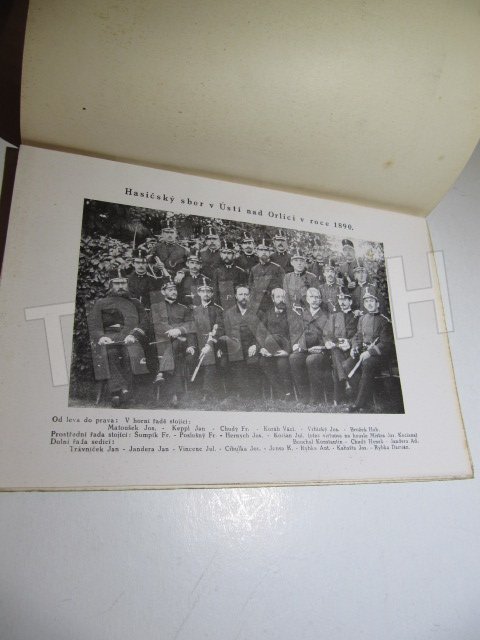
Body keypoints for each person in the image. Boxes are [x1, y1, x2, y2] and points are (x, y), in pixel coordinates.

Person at [87, 267, 149, 407]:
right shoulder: (101, 303)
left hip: (130, 338)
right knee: (111, 353)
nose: (121, 286)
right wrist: (101, 337)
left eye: (123, 283)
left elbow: (145, 322)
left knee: (129, 355)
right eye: (117, 283)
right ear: (110, 285)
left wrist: (134, 335)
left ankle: (119, 392)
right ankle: (122, 390)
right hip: (109, 338)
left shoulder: (136, 303)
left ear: (127, 284)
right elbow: (94, 324)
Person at [345, 287, 393, 412]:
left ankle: (359, 404)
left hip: (379, 356)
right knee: (347, 365)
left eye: (372, 301)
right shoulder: (362, 319)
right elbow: (358, 336)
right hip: (363, 353)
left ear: (377, 304)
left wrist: (370, 352)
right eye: (366, 301)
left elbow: (386, 344)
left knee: (367, 363)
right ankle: (364, 397)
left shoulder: (385, 321)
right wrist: (354, 348)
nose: (369, 304)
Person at [150, 280, 193, 407]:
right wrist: (171, 331)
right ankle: (174, 395)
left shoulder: (183, 308)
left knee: (176, 346)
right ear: (163, 292)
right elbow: (156, 325)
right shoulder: (156, 308)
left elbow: (190, 324)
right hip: (161, 342)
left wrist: (179, 330)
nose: (174, 292)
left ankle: (161, 372)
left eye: (175, 289)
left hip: (181, 342)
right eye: (170, 289)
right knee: (176, 355)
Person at [289, 287, 329, 404]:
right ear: (307, 299)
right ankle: (304, 396)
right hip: (304, 348)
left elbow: (328, 336)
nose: (314, 300)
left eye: (317, 297)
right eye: (311, 297)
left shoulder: (326, 316)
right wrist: (296, 344)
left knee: (312, 360)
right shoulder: (302, 315)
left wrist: (321, 347)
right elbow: (296, 333)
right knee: (294, 358)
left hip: (320, 351)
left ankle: (316, 397)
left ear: (321, 300)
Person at [187, 279, 225, 399]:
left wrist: (209, 344)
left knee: (209, 356)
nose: (205, 294)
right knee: (190, 357)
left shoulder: (218, 310)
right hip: (198, 342)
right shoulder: (194, 311)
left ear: (212, 294)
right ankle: (194, 387)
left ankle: (207, 391)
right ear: (199, 293)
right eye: (203, 291)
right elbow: (191, 330)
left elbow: (220, 329)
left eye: (208, 291)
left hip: (213, 341)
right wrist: (192, 345)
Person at [221, 285, 260, 398]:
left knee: (252, 361)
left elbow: (261, 334)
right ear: (236, 296)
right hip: (234, 347)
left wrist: (255, 345)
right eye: (241, 294)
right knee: (225, 361)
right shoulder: (229, 313)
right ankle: (234, 393)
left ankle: (248, 393)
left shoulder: (258, 312)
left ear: (249, 296)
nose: (243, 297)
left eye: (246, 294)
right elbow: (225, 332)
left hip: (250, 347)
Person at [323, 288, 359, 404]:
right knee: (335, 351)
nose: (342, 302)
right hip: (337, 347)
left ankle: (338, 395)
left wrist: (349, 343)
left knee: (336, 358)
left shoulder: (356, 316)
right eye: (340, 300)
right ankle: (347, 383)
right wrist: (329, 342)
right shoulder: (334, 316)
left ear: (350, 301)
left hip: (352, 349)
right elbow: (327, 333)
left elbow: (359, 334)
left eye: (345, 299)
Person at [257, 288, 293, 400]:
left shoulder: (291, 314)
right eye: (278, 297)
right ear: (273, 299)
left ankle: (288, 392)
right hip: (269, 348)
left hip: (284, 349)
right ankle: (279, 392)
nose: (281, 299)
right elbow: (260, 333)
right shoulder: (268, 314)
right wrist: (262, 348)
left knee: (282, 364)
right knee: (263, 362)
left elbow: (295, 334)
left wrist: (287, 351)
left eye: (283, 297)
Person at [249, 238, 285, 312]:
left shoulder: (277, 268)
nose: (264, 252)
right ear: (257, 252)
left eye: (266, 250)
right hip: (258, 305)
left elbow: (284, 286)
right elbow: (251, 287)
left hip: (273, 304)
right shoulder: (254, 269)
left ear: (269, 253)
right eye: (261, 250)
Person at [212, 240, 247, 309]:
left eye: (229, 253)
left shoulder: (240, 271)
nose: (226, 255)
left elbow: (243, 290)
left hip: (236, 305)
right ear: (221, 255)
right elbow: (215, 291)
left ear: (233, 255)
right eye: (224, 253)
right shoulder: (217, 271)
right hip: (221, 305)